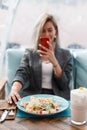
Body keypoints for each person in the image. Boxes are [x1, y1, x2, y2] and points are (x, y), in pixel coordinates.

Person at [7, 13, 72, 104]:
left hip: (58, 98)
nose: (46, 34)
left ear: (55, 32)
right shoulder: (30, 53)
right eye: (43, 31)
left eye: (50, 30)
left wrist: (55, 63)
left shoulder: (66, 55)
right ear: (39, 33)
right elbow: (22, 73)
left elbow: (64, 85)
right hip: (34, 97)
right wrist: (14, 89)